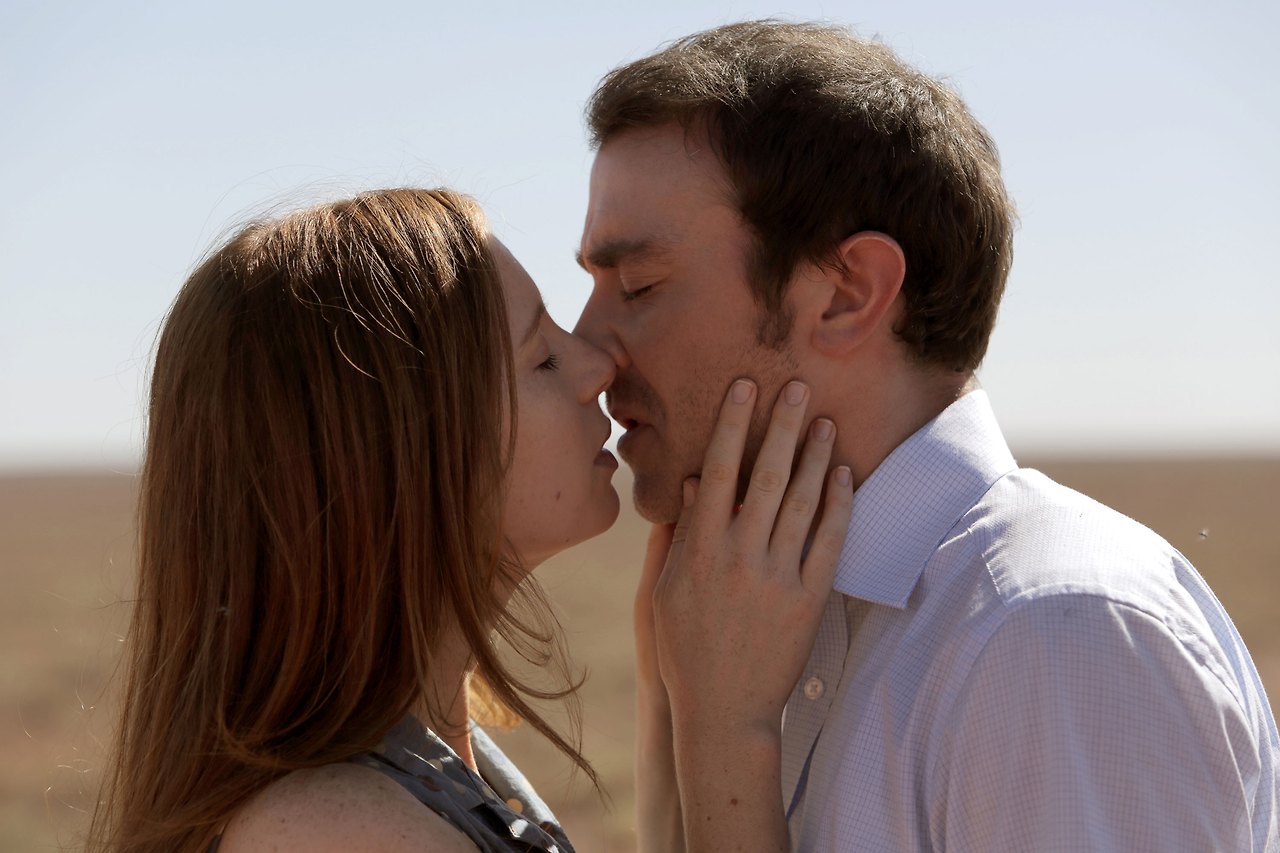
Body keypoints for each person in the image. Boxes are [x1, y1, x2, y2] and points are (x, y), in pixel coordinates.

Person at [575, 20, 1280, 852]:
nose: (587, 347)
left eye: (639, 284)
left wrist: (724, 738)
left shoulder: (1050, 634)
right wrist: (687, 718)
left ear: (848, 295)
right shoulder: (757, 622)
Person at [86, 187, 853, 853]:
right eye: (542, 358)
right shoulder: (336, 830)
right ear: (403, 451)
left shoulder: (416, 765)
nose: (596, 366)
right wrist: (729, 730)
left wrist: (675, 694)